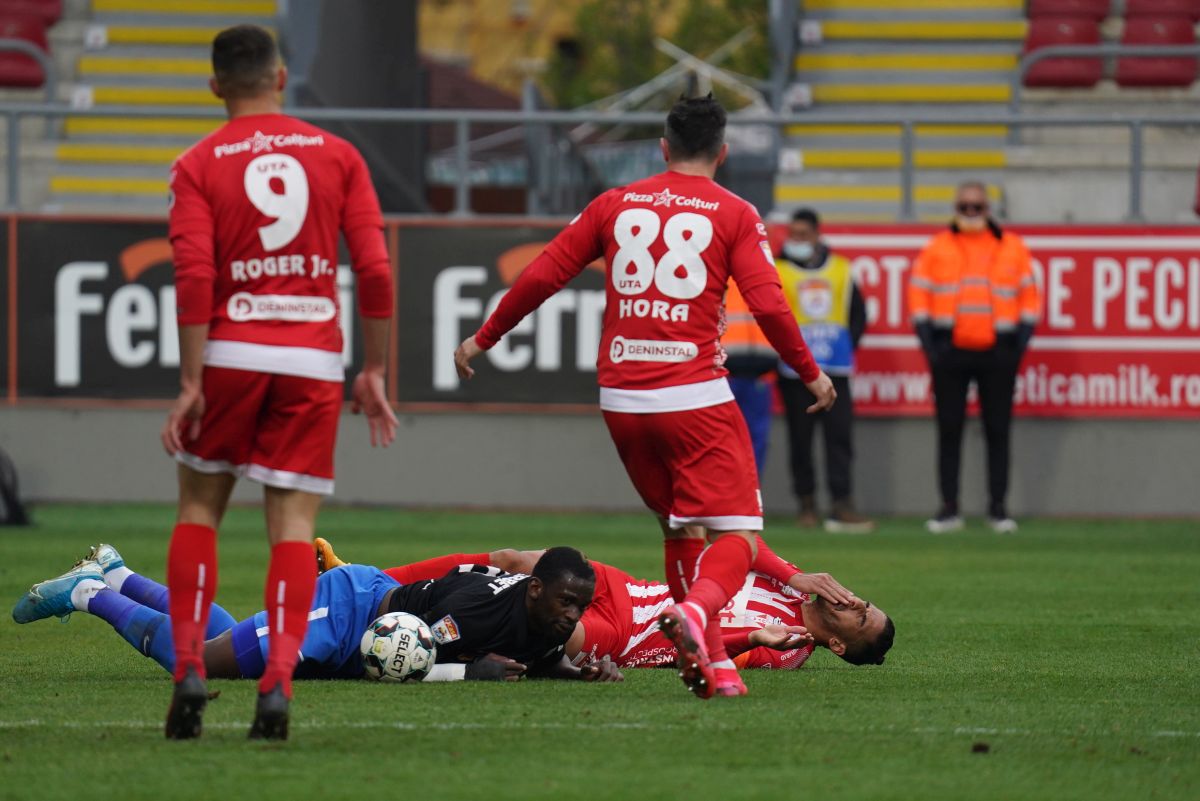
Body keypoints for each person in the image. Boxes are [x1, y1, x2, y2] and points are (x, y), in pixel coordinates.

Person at [453, 95, 836, 700]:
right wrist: (809, 371)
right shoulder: (733, 211)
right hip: (694, 395)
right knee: (736, 536)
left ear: (663, 148)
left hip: (623, 400)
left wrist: (483, 337)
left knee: (679, 530)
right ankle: (697, 621)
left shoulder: (615, 203)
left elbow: (545, 271)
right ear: (723, 153)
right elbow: (767, 302)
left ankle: (710, 665)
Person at [161, 25, 398, 740]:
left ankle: (186, 673)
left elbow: (195, 276)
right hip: (310, 359)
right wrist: (375, 369)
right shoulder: (338, 156)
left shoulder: (198, 163)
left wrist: (191, 379)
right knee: (292, 526)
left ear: (214, 87)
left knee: (200, 511)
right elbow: (378, 271)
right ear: (282, 77)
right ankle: (277, 684)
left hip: (232, 350)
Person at [11, 544, 621, 695]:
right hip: (350, 611)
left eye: (580, 607)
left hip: (365, 614)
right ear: (534, 589)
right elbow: (403, 653)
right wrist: (469, 676)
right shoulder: (478, 607)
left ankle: (116, 573)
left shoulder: (546, 621)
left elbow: (539, 655)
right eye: (567, 603)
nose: (574, 616)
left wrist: (576, 671)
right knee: (198, 661)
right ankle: (89, 593)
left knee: (227, 640)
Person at [314, 536, 895, 673]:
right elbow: (737, 543)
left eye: (860, 614)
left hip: (622, 634)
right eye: (863, 599)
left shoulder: (786, 650)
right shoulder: (791, 586)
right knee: (513, 562)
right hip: (625, 589)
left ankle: (421, 655)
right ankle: (371, 582)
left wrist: (751, 641)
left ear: (840, 642)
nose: (852, 600)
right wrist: (797, 576)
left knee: (525, 628)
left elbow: (700, 652)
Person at [908, 182, 1041, 534]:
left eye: (976, 207)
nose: (970, 213)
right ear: (955, 208)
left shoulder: (1012, 247)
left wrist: (1018, 345)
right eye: (964, 207)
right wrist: (930, 345)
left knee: (998, 431)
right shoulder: (938, 248)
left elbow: (1030, 298)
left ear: (988, 209)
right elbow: (918, 296)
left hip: (998, 351)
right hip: (949, 350)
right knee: (948, 431)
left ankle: (998, 509)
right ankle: (948, 509)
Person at [776, 209, 873, 533]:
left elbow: (858, 314)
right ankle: (806, 504)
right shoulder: (778, 269)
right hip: (795, 373)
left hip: (835, 370)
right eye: (793, 234)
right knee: (800, 440)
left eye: (803, 235)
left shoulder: (841, 270)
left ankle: (842, 503)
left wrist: (845, 345)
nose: (796, 241)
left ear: (818, 236)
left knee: (839, 439)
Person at [722, 281, 777, 473]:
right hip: (725, 376)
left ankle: (752, 496)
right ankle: (725, 496)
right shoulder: (718, 277)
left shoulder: (769, 277)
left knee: (757, 439)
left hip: (762, 376)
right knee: (722, 439)